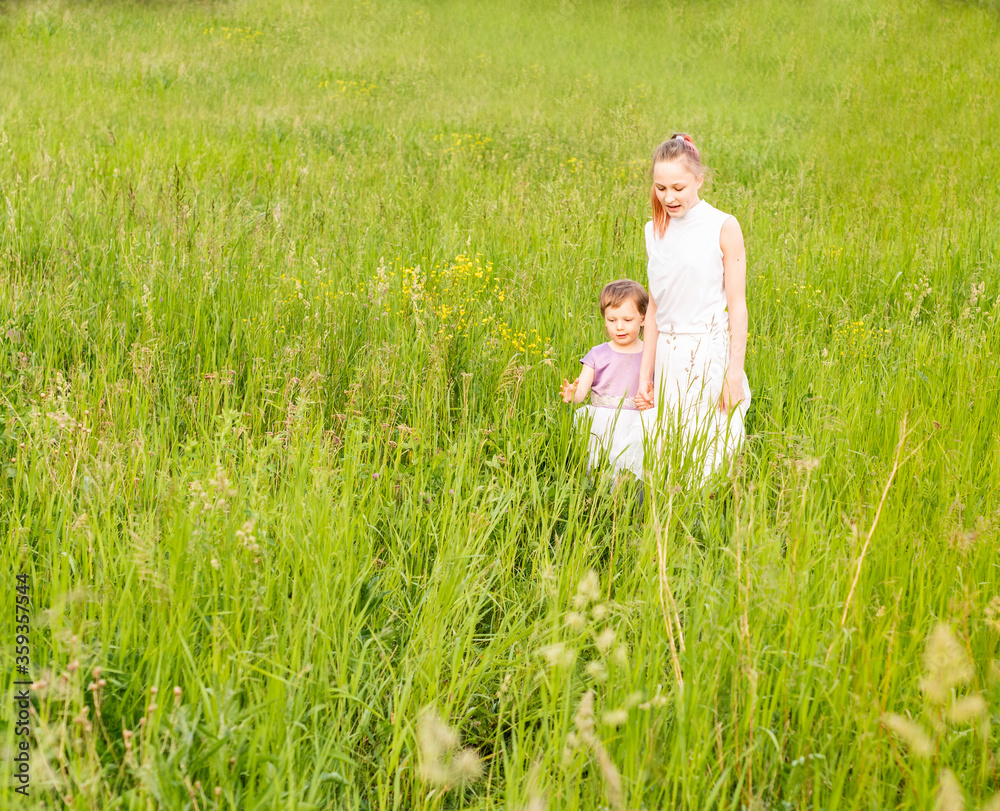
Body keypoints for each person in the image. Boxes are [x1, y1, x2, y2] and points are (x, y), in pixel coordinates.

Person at [634, 133, 751, 483]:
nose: (668, 197)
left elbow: (738, 306)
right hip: (667, 356)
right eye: (660, 188)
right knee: (665, 455)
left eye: (678, 187)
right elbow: (654, 307)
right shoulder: (653, 229)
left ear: (699, 179)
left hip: (707, 353)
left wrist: (734, 373)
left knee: (710, 454)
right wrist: (645, 375)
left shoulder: (723, 226)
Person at [561, 279, 649, 479]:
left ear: (643, 318)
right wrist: (572, 394)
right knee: (601, 469)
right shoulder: (597, 354)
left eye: (627, 320)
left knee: (633, 470)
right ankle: (598, 502)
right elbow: (581, 392)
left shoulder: (649, 353)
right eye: (612, 320)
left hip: (636, 423)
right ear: (604, 318)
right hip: (603, 422)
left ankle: (630, 501)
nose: (619, 327)